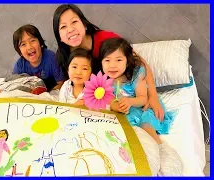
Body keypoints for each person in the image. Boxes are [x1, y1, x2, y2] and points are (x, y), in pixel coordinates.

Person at [53, 4, 165, 121]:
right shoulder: (63, 55)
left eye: (74, 22)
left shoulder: (106, 40)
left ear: (84, 24)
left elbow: (140, 63)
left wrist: (153, 96)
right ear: (59, 36)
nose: (70, 29)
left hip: (115, 101)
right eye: (63, 27)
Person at [99, 37, 182, 173]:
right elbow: (108, 101)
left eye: (119, 60)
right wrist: (115, 106)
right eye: (107, 60)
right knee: (129, 136)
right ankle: (145, 162)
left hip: (142, 108)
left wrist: (129, 101)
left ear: (127, 61)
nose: (112, 65)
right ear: (101, 63)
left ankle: (165, 158)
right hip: (126, 113)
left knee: (147, 127)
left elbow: (143, 98)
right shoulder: (103, 80)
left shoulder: (135, 75)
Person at [12, 24, 64, 92]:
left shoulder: (52, 58)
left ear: (40, 43)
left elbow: (61, 84)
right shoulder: (20, 66)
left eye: (32, 40)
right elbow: (13, 85)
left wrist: (45, 94)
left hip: (50, 92)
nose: (29, 47)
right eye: (23, 44)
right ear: (20, 51)